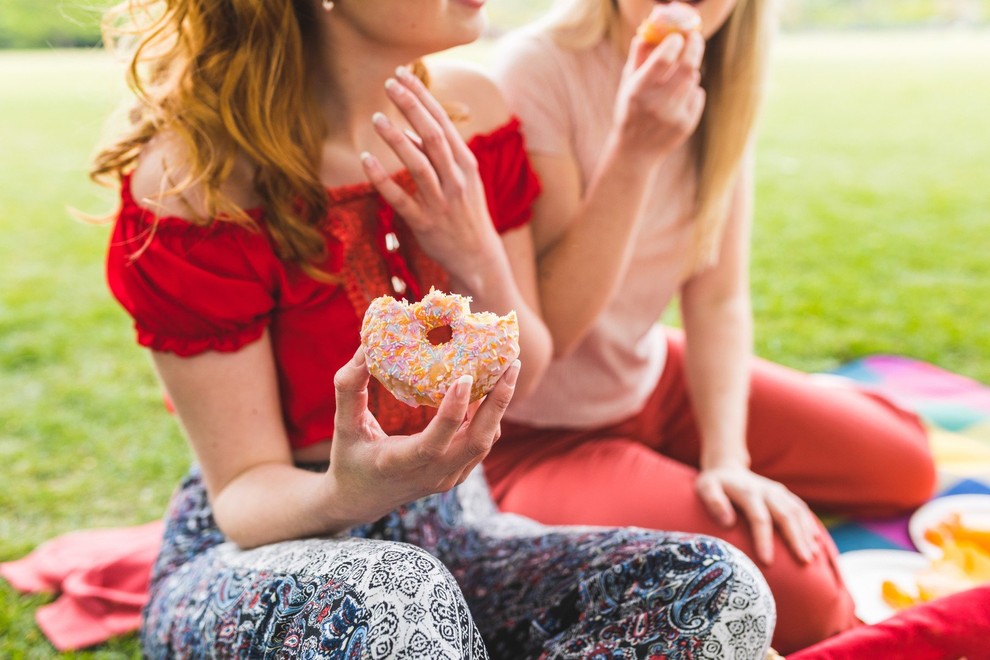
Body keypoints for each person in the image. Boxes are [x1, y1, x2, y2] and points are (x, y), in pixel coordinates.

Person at [91, 0, 776, 657]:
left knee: (718, 587)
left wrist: (473, 247)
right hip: (267, 552)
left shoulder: (471, 114)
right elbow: (242, 494)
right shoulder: (196, 183)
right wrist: (350, 492)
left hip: (455, 535)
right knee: (401, 602)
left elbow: (528, 366)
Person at [482, 0, 937, 653]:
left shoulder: (720, 75)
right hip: (533, 436)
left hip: (648, 373)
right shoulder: (536, 70)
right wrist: (634, 150)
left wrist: (728, 457)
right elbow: (552, 335)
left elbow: (718, 298)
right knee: (807, 597)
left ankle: (673, 465)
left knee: (907, 465)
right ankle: (650, 479)